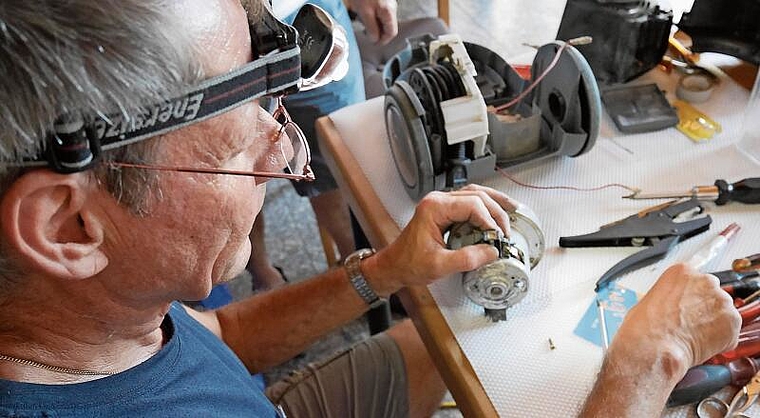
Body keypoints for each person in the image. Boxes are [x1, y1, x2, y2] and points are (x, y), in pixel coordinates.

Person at [0, 1, 740, 417]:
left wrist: (385, 270)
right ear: (68, 227)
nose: (283, 158)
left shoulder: (96, 316)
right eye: (232, 145)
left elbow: (214, 335)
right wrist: (650, 364)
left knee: (447, 351)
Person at [247, 0, 398, 289]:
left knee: (342, 160)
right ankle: (261, 272)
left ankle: (363, 271)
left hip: (305, 12)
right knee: (241, 169)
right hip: (210, 29)